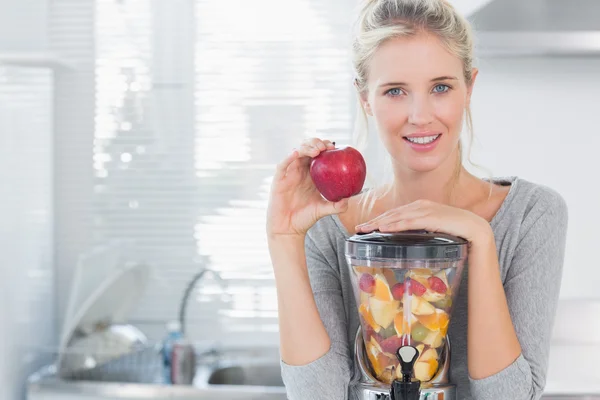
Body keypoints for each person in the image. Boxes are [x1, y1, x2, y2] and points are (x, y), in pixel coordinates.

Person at [266, 0, 568, 398]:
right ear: (365, 99)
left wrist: (479, 238)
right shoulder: (330, 226)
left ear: (469, 87)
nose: (420, 115)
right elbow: (318, 394)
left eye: (440, 87)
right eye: (395, 91)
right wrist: (284, 239)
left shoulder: (530, 215)